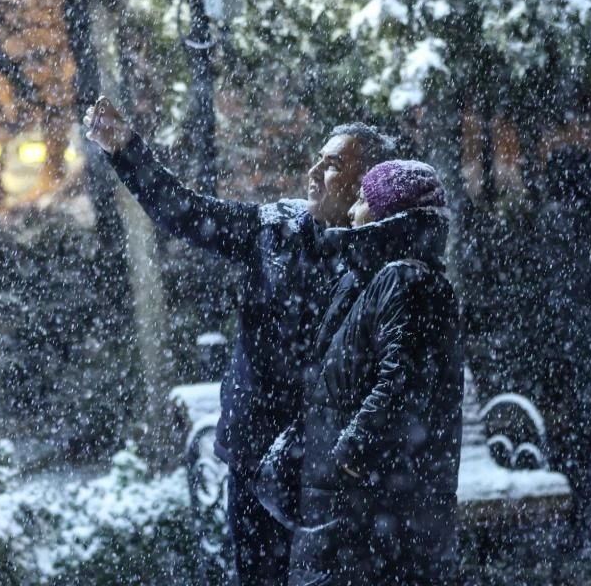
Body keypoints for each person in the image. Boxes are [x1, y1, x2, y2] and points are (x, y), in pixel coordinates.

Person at [82, 97, 397, 586]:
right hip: (255, 458)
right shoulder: (275, 229)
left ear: (365, 182)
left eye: (332, 164)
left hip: (332, 472)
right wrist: (126, 149)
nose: (313, 171)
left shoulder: (381, 262)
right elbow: (183, 212)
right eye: (317, 157)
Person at [260, 159, 462, 586]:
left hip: (365, 509)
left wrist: (350, 455)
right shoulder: (378, 279)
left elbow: (403, 380)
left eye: (364, 199)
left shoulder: (402, 278)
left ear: (391, 214)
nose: (352, 211)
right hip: (357, 507)